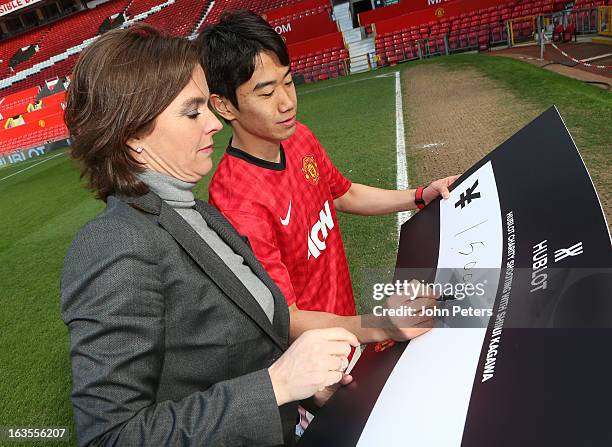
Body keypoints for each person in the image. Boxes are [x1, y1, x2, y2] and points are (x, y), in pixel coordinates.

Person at [60, 24, 359, 446]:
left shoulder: (198, 213)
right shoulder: (114, 246)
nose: (215, 124)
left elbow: (243, 346)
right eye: (192, 111)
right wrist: (276, 385)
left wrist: (302, 391)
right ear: (133, 137)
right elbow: (111, 436)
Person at [197, 10, 456, 344]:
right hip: (318, 365)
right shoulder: (237, 201)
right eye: (266, 93)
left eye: (288, 82)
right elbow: (286, 317)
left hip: (346, 327)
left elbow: (343, 194)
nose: (287, 102)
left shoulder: (297, 136)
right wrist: (379, 326)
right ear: (225, 106)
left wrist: (419, 195)